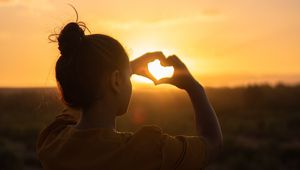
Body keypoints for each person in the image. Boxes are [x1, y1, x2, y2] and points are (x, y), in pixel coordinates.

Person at [37, 22, 223, 170]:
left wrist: (123, 70)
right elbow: (212, 144)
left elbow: (81, 96)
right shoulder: (148, 151)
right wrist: (195, 88)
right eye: (128, 77)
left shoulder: (52, 142)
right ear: (116, 80)